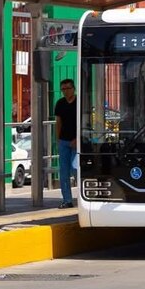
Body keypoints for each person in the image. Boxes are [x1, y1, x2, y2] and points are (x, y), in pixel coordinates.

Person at [54, 78, 78, 208]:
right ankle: (67, 200)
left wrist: (78, 138)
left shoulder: (79, 102)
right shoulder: (60, 103)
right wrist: (58, 139)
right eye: (63, 89)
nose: (65, 91)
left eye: (68, 88)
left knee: (75, 169)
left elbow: (84, 121)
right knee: (63, 172)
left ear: (73, 88)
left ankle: (82, 197)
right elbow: (58, 122)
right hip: (64, 141)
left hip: (77, 141)